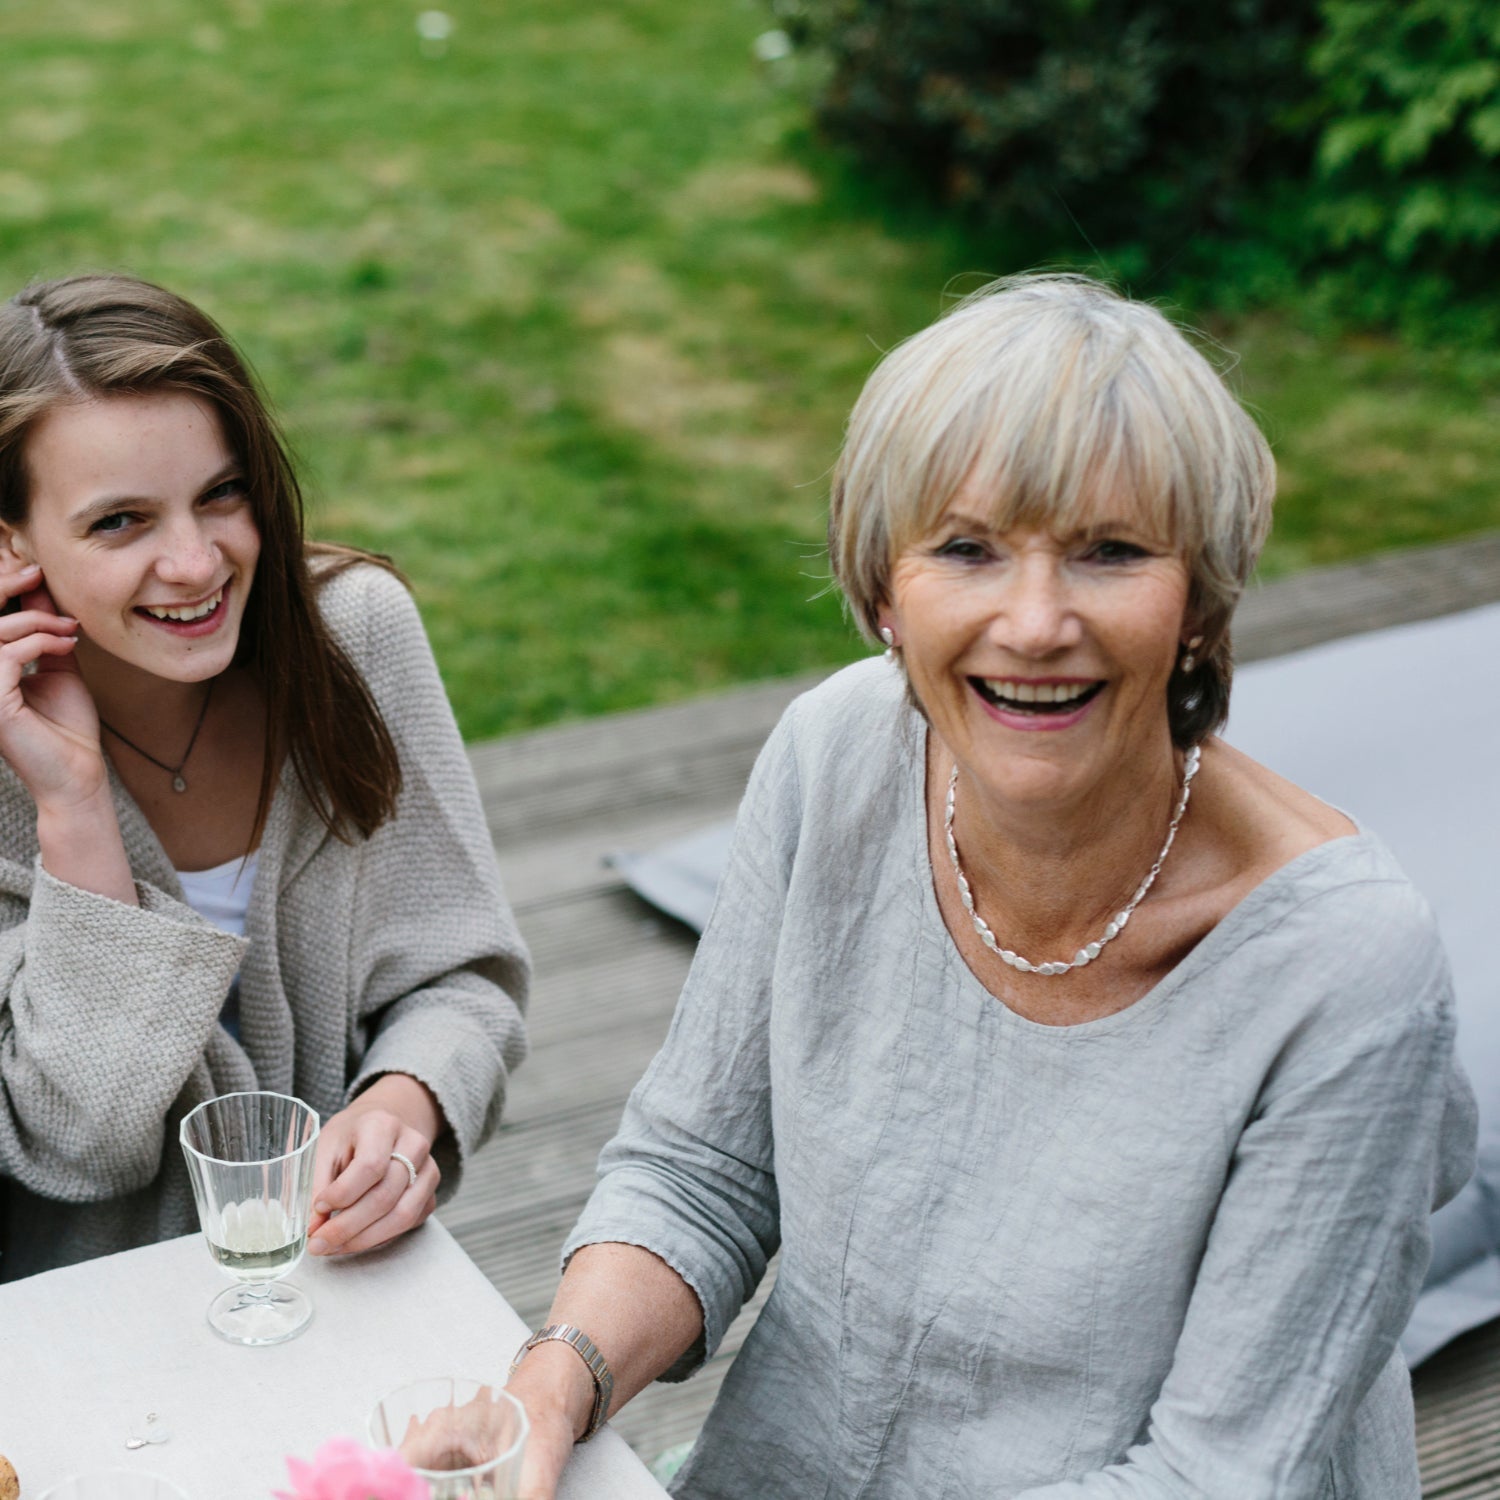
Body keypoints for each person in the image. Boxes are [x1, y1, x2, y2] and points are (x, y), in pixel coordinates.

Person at [507, 275, 1476, 1497]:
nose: (1033, 622)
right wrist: (555, 1381)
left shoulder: (1348, 969)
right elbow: (702, 1169)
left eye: (1109, 553)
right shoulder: (838, 754)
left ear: (1199, 606)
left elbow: (1212, 1478)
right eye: (966, 549)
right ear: (882, 593)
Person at [0, 273, 528, 1281]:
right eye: (121, 522)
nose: (196, 564)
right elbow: (82, 1144)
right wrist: (71, 803)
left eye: (221, 493)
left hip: (339, 1287)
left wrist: (403, 1102)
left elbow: (466, 980)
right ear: (10, 542)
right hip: (75, 1344)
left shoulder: (355, 637)